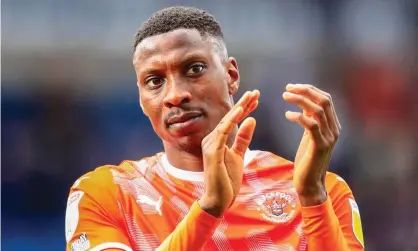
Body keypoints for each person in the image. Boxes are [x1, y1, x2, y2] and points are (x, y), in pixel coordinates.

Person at [65, 6, 364, 251]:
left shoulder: (325, 193)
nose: (174, 95)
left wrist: (313, 196)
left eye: (194, 69)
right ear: (142, 100)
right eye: (154, 81)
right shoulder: (106, 193)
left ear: (232, 75)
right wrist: (209, 208)